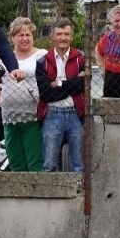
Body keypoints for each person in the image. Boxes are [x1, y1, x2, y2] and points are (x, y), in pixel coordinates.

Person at [38, 17, 87, 173]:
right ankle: (51, 197)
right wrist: (74, 84)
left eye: (66, 34)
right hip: (52, 114)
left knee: (78, 164)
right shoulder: (43, 62)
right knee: (50, 164)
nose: (63, 38)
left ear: (71, 37)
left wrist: (59, 83)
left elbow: (85, 85)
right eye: (59, 34)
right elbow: (46, 94)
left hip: (76, 114)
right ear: (52, 37)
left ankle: (78, 197)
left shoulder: (81, 59)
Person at [0, 17, 45, 171]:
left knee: (35, 162)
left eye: (28, 35)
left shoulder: (42, 56)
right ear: (12, 38)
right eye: (20, 35)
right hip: (9, 117)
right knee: (15, 162)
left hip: (33, 116)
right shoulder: (4, 59)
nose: (25, 38)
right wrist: (1, 101)